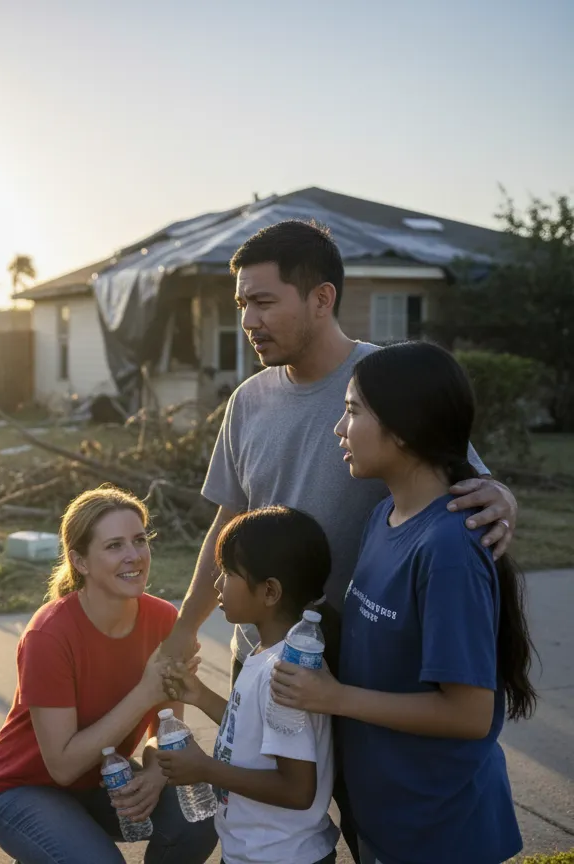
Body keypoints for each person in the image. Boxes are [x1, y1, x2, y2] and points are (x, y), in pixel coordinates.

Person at [159, 219, 519, 857]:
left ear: (321, 299)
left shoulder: (385, 384)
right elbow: (227, 524)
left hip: (368, 663)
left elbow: (457, 480)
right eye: (242, 304)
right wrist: (188, 624)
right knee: (272, 825)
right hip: (268, 650)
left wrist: (504, 495)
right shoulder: (247, 402)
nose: (249, 319)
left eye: (264, 301)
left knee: (371, 816)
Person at [270, 341, 537, 864]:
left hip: (441, 829)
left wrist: (333, 697)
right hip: (387, 815)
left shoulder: (448, 548)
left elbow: (468, 715)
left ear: (404, 426)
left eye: (351, 411)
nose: (338, 429)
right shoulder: (384, 517)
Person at [0, 486, 218, 864]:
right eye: (114, 546)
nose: (134, 556)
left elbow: (166, 729)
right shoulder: (49, 635)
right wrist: (145, 692)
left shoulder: (163, 621)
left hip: (107, 780)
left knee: (198, 822)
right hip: (25, 790)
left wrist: (156, 775)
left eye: (139, 540)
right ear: (81, 562)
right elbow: (62, 766)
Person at [156, 507, 340, 864]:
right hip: (260, 851)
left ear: (269, 591)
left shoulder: (286, 674)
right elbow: (255, 732)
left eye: (227, 573)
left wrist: (203, 768)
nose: (216, 584)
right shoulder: (269, 651)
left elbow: (298, 789)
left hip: (280, 856)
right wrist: (200, 695)